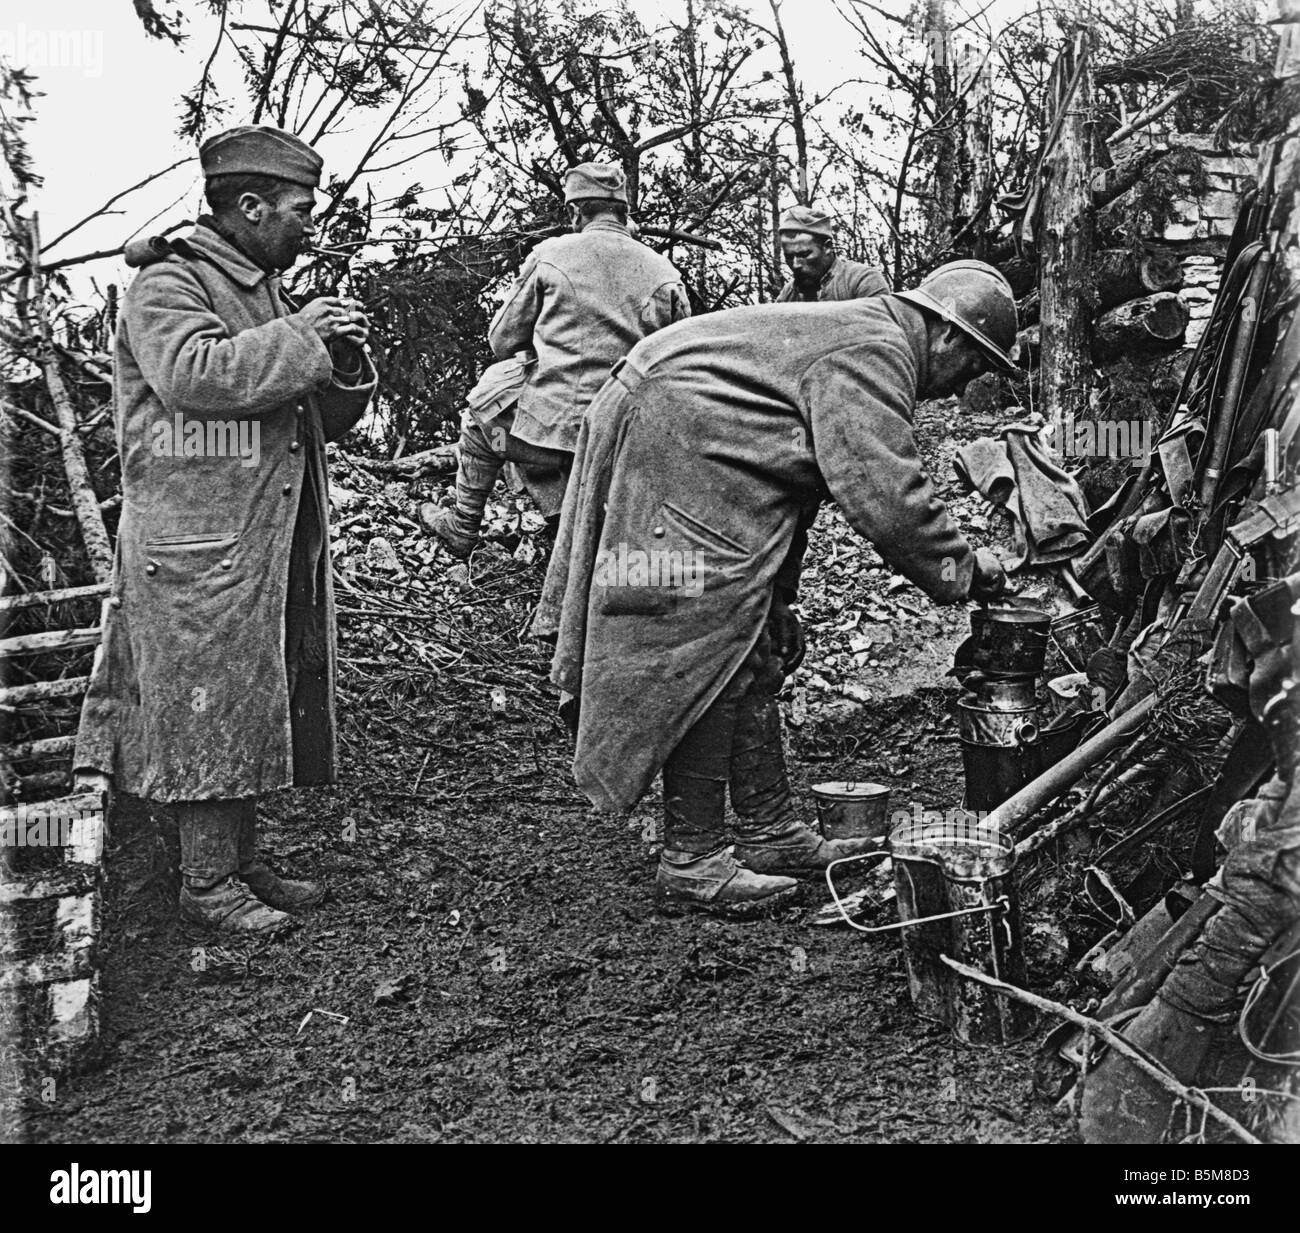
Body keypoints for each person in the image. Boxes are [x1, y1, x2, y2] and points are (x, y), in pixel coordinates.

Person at [535, 260, 1015, 917]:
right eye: (973, 367)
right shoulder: (877, 352)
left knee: (753, 633)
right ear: (949, 336)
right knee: (704, 636)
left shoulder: (870, 335)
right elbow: (884, 495)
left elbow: (785, 475)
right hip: (674, 424)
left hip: (686, 423)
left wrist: (778, 594)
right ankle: (693, 858)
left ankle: (769, 829)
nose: (964, 387)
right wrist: (963, 567)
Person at [73, 125, 376, 933]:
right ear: (249, 206)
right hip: (195, 543)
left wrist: (339, 358)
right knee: (207, 699)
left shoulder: (264, 290)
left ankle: (237, 859)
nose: (309, 225)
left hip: (255, 534)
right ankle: (205, 883)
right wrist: (304, 335)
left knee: (248, 690)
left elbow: (306, 411)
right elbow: (194, 376)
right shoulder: (167, 283)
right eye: (298, 210)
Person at [421, 162, 690, 558]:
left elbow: (501, 340)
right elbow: (678, 362)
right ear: (624, 212)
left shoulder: (551, 256)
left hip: (550, 443)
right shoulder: (663, 271)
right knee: (530, 408)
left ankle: (462, 525)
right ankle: (566, 522)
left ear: (575, 211)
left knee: (485, 422)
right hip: (622, 447)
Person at [775, 204, 890, 303]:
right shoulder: (787, 295)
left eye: (804, 255)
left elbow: (878, 327)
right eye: (789, 257)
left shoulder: (863, 281)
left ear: (827, 247)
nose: (795, 265)